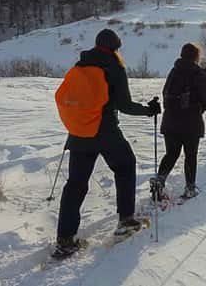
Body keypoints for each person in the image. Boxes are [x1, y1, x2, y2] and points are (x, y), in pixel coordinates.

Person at [53, 29, 161, 258]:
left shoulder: (81, 64)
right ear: (115, 48)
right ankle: (125, 221)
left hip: (80, 133)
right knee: (125, 165)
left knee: (75, 185)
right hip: (105, 132)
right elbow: (124, 105)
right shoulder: (114, 67)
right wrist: (148, 110)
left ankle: (65, 240)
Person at [156, 43, 206, 200]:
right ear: (196, 56)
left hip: (170, 120)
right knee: (190, 155)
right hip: (190, 122)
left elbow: (165, 93)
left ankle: (159, 181)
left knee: (171, 153)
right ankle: (190, 188)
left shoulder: (174, 71)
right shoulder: (198, 74)